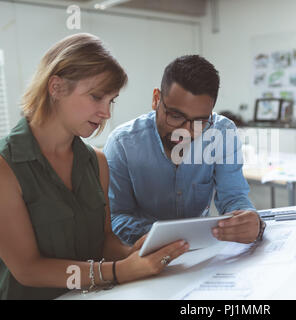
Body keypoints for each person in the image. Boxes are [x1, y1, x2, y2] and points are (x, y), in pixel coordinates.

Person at [0, 33, 189, 300]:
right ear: (56, 87)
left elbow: (104, 240)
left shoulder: (97, 162)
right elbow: (28, 269)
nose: (106, 113)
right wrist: (118, 271)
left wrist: (134, 254)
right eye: (96, 97)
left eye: (110, 100)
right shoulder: (5, 166)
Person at [103, 55, 263, 247]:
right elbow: (116, 217)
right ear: (156, 100)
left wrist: (249, 220)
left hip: (202, 251)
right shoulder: (122, 144)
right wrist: (165, 237)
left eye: (200, 121)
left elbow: (234, 197)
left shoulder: (221, 132)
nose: (186, 131)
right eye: (176, 116)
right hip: (142, 252)